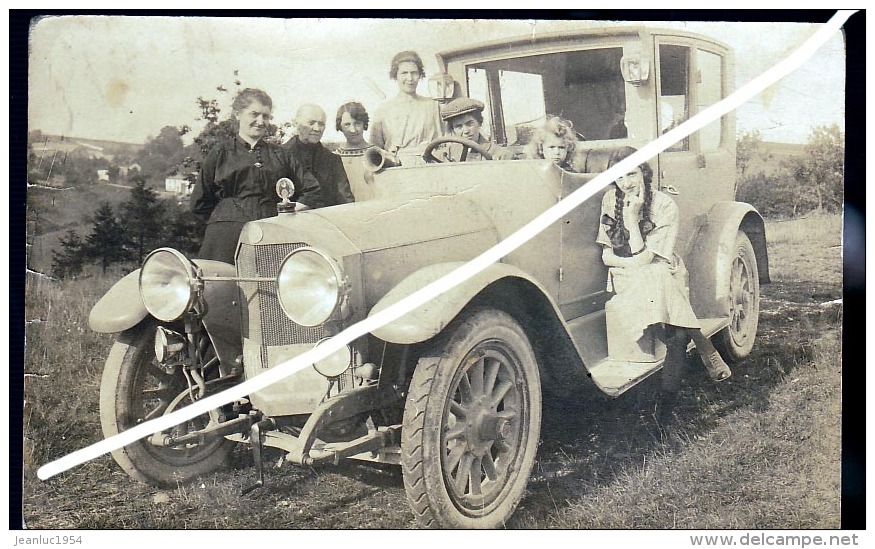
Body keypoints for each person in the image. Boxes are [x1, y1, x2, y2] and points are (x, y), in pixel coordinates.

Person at [595, 146, 732, 415]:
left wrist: (632, 222)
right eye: (620, 177)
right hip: (627, 277)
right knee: (655, 277)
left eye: (632, 174)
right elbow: (606, 254)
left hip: (661, 275)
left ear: (644, 172)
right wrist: (630, 261)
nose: (627, 183)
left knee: (676, 334)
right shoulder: (610, 200)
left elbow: (649, 258)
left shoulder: (665, 205)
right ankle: (705, 346)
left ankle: (664, 413)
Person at [191, 88, 323, 263]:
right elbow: (199, 202)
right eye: (254, 114)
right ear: (238, 114)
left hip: (271, 234)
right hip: (224, 238)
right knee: (219, 286)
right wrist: (226, 215)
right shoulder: (220, 153)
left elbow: (312, 190)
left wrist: (285, 211)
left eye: (266, 116)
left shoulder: (280, 154)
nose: (260, 122)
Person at [369, 50, 443, 161]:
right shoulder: (383, 109)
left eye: (414, 73)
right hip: (396, 168)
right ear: (396, 75)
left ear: (420, 75)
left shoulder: (433, 106)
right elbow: (375, 148)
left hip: (429, 166)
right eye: (404, 73)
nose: (410, 78)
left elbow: (444, 142)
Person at [285, 104, 355, 206]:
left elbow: (345, 198)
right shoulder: (280, 156)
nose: (317, 128)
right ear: (297, 124)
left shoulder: (332, 160)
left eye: (321, 124)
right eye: (311, 123)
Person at [438, 97, 510, 161]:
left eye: (469, 124)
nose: (466, 131)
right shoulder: (446, 155)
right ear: (453, 129)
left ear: (479, 122)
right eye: (459, 126)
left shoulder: (502, 156)